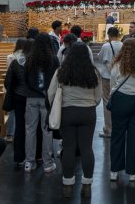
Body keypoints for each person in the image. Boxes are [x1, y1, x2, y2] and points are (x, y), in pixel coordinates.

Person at [49, 42, 102, 198]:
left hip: (67, 113)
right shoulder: (93, 72)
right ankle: (87, 183)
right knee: (86, 148)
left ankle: (68, 185)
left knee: (69, 148)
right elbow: (98, 98)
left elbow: (51, 93)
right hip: (88, 113)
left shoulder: (62, 71)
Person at [108, 37, 135, 183]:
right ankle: (132, 173)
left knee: (117, 135)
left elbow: (113, 84)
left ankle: (114, 171)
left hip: (121, 100)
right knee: (134, 136)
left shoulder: (117, 65)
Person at [24, 34, 57, 172]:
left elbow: (25, 78)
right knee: (47, 130)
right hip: (47, 98)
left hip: (31, 96)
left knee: (30, 129)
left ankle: (29, 162)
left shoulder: (30, 59)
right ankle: (48, 163)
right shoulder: (53, 59)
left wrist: (33, 88)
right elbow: (57, 78)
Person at [4, 38, 33, 165]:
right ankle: (33, 156)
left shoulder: (15, 62)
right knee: (32, 127)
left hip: (18, 97)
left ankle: (19, 156)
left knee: (20, 126)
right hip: (32, 97)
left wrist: (14, 90)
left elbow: (8, 81)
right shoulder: (34, 62)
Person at [96, 26, 120, 137]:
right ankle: (118, 127)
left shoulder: (106, 46)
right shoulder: (123, 45)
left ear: (109, 35)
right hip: (120, 77)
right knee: (118, 101)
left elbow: (100, 59)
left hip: (107, 77)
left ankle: (108, 128)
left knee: (106, 101)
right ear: (118, 35)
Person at [4, 39, 27, 142]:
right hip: (20, 88)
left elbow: (8, 73)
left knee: (11, 112)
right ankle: (20, 133)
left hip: (11, 87)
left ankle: (10, 134)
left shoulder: (10, 56)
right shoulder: (26, 57)